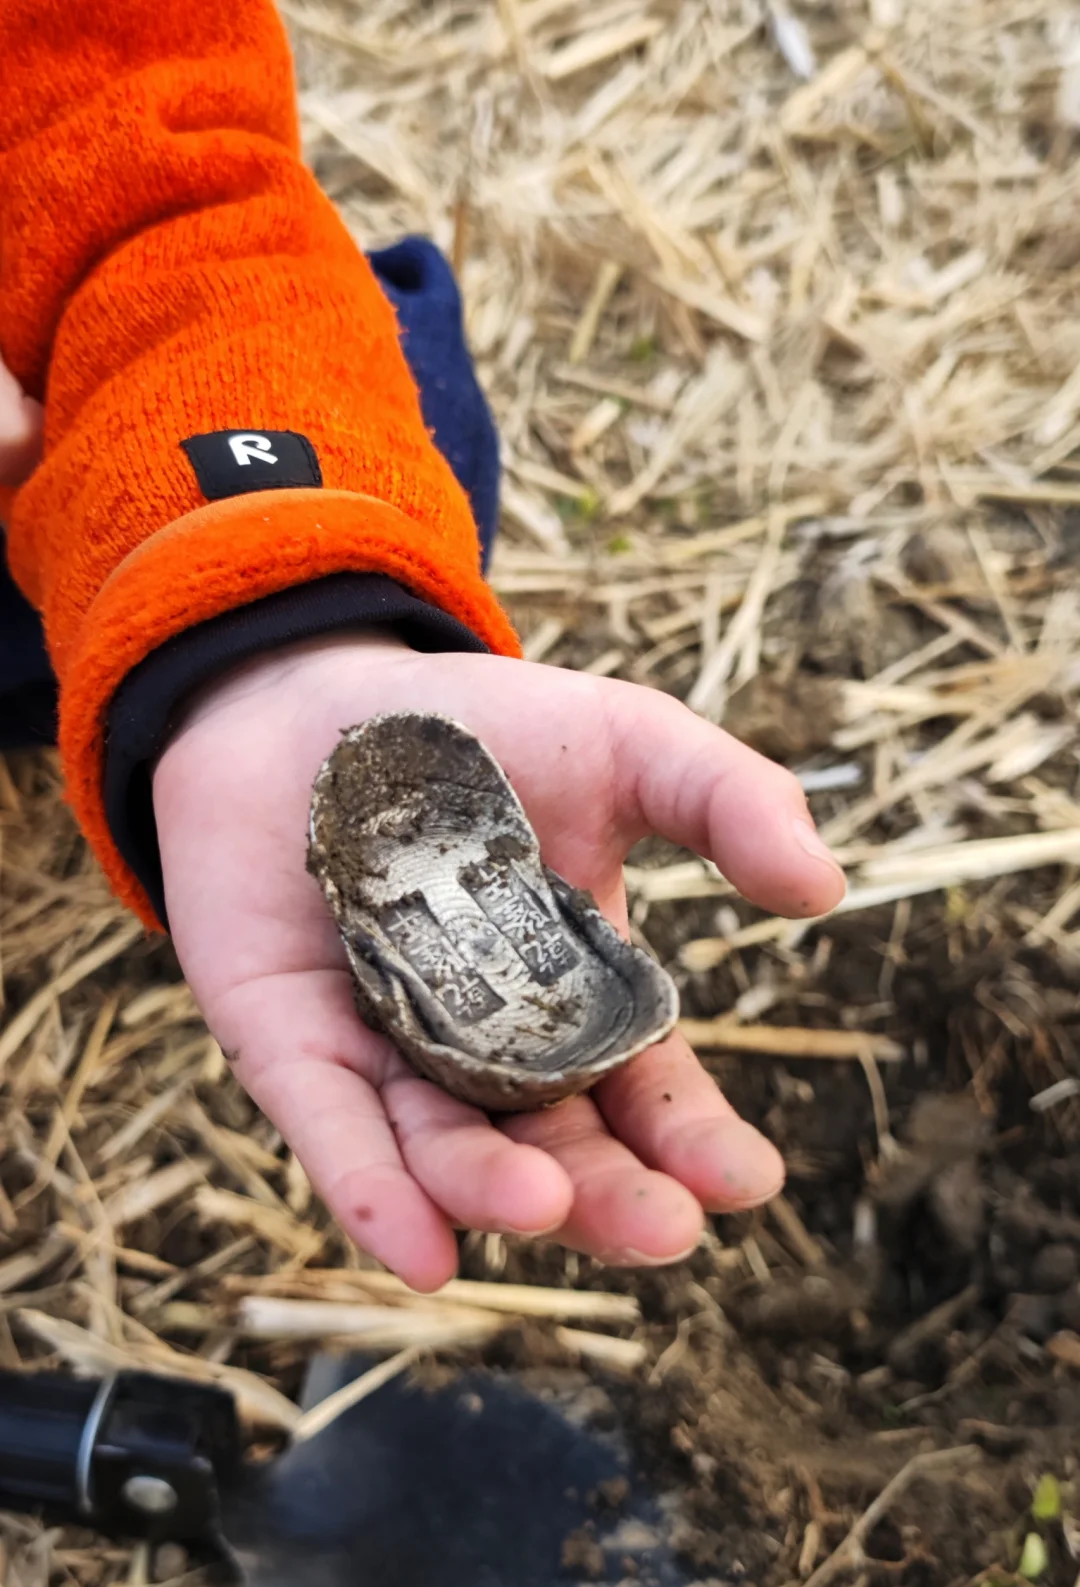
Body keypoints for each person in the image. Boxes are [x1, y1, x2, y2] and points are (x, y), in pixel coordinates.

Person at [0, 0, 846, 1294]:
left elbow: (156, 193)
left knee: (414, 411)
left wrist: (256, 621)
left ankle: (171, 643)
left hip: (63, 445)